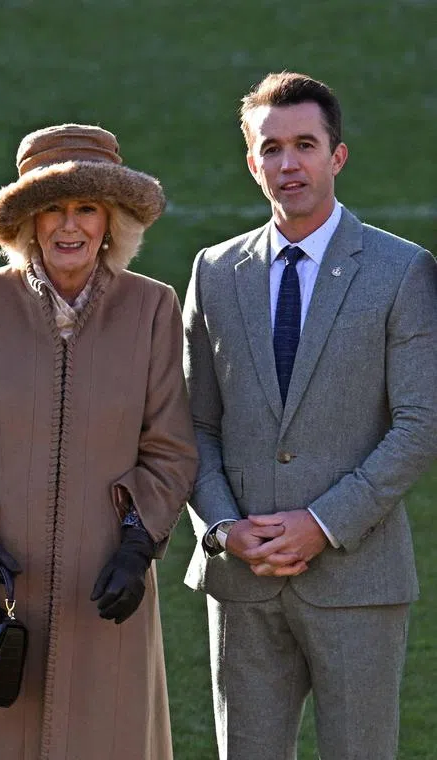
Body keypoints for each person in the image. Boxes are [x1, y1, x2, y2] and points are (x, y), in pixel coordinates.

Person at [0, 124, 197, 760]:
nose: (70, 227)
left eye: (86, 208)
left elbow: (170, 450)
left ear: (111, 220)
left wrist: (137, 549)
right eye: (52, 209)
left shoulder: (153, 308)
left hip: (104, 597)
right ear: (28, 223)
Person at [183, 71, 437, 759]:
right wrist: (224, 529)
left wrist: (322, 524)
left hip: (358, 582)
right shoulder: (212, 270)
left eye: (304, 144)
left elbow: (420, 424)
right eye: (271, 148)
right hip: (243, 582)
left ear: (337, 156)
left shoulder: (402, 271)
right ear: (251, 162)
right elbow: (192, 426)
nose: (288, 163)